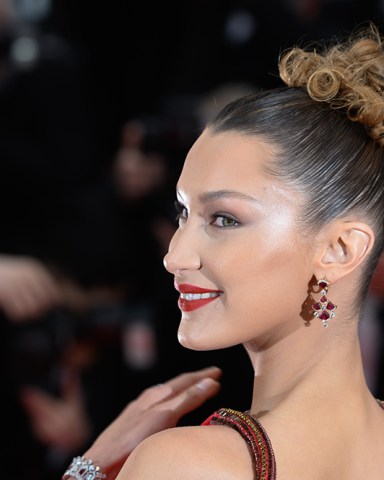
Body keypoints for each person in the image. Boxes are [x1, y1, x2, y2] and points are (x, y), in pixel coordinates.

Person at [63, 23, 384, 479]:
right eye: (182, 214)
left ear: (339, 249)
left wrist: (90, 467)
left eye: (224, 219)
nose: (175, 255)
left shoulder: (187, 464)